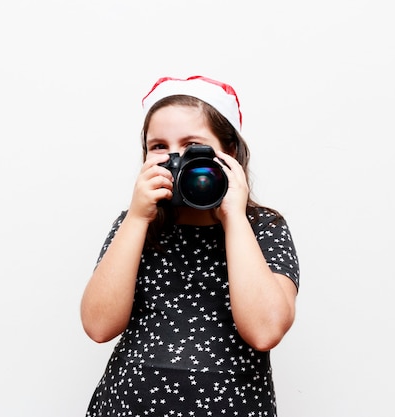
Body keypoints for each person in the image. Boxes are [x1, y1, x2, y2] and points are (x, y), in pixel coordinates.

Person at [81, 75, 300, 416]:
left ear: (230, 153)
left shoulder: (263, 228)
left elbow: (265, 330)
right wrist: (137, 218)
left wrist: (234, 218)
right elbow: (98, 326)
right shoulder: (136, 224)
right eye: (158, 147)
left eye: (191, 145)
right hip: (128, 404)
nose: (176, 159)